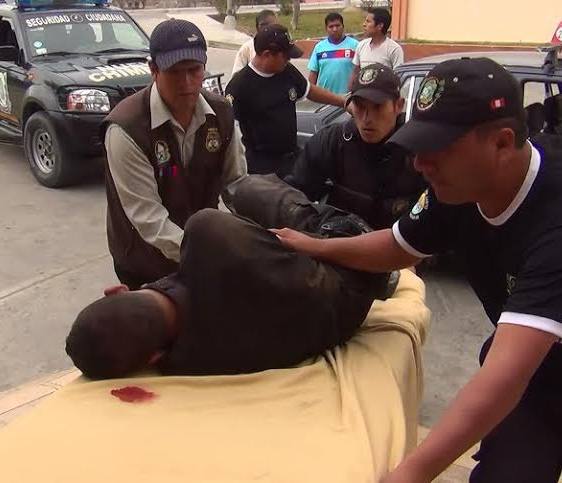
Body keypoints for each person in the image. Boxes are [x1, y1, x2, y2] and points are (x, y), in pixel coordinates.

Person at [273, 58, 562, 483]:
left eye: (437, 148)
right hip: (535, 380)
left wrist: (410, 473)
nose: (421, 164)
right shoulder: (458, 188)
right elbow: (397, 245)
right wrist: (318, 247)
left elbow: (503, 378)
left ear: (501, 143)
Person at [65, 174, 395, 378]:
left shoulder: (189, 363)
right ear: (116, 290)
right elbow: (282, 245)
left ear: (152, 358)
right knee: (247, 189)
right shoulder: (210, 237)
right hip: (352, 279)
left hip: (334, 318)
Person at [101, 19, 247, 290]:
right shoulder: (126, 128)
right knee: (154, 327)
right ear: (153, 70)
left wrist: (257, 237)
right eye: (174, 72)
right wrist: (208, 256)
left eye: (194, 70)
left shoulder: (221, 114)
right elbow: (148, 217)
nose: (187, 83)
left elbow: (237, 185)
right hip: (143, 262)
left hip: (203, 251)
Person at [286, 63, 425, 230]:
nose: (367, 118)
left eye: (377, 107)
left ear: (398, 106)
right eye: (360, 106)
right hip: (336, 246)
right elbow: (294, 196)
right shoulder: (332, 142)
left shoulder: (419, 155)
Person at [226, 24, 348, 177]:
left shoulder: (286, 70)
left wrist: (344, 102)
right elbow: (228, 133)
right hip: (262, 169)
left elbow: (309, 91)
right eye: (285, 55)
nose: (289, 59)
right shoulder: (239, 86)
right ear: (267, 54)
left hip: (292, 159)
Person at [350, 8, 404, 88]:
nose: (364, 24)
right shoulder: (361, 45)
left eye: (368, 21)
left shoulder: (394, 49)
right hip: (362, 95)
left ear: (380, 26)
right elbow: (355, 73)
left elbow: (399, 77)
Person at [308, 12, 360, 95]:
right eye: (331, 26)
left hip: (348, 97)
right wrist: (310, 95)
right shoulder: (319, 47)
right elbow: (313, 73)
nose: (334, 29)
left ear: (343, 26)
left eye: (337, 25)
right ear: (326, 29)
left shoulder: (355, 45)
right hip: (325, 98)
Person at [231, 9, 277, 76]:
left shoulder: (280, 47)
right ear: (260, 27)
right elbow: (236, 76)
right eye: (274, 26)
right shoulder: (247, 48)